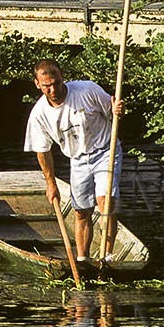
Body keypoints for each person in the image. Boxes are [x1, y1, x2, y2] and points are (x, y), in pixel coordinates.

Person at [24, 59, 126, 264]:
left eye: (57, 83)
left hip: (105, 150)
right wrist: (50, 183)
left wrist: (117, 110)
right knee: (81, 211)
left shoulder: (87, 90)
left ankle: (107, 257)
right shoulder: (39, 114)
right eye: (47, 86)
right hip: (77, 160)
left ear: (63, 78)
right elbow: (43, 151)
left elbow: (112, 111)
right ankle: (82, 259)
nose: (53, 90)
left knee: (105, 202)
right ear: (37, 84)